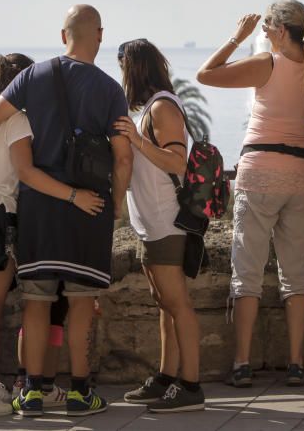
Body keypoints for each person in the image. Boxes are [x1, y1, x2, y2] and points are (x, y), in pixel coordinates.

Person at [0, 5, 132, 418]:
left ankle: (32, 391)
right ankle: (78, 393)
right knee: (80, 303)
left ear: (62, 35)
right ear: (101, 36)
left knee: (36, 301)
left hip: (38, 207)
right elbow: (123, 157)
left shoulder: (32, 76)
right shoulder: (110, 89)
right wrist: (119, 204)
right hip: (88, 208)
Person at [197, 2, 304, 388]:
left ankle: (242, 363)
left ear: (282, 30)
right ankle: (296, 364)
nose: (264, 33)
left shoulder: (268, 63)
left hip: (262, 171)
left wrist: (238, 37)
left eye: (267, 27)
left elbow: (206, 74)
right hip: (303, 172)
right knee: (295, 274)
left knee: (247, 274)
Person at [115, 38, 206, 413]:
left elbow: (177, 162)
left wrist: (136, 139)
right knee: (165, 304)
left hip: (168, 223)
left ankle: (191, 386)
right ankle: (168, 378)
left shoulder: (163, 108)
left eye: (122, 67)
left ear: (133, 68)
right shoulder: (153, 108)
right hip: (152, 225)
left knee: (178, 305)